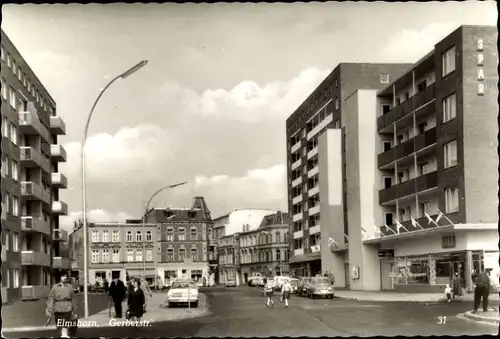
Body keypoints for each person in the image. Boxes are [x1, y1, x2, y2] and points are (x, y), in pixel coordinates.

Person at [46, 272, 77, 338]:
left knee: (65, 323)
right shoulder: (55, 287)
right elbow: (51, 298)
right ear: (59, 277)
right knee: (58, 323)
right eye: (63, 276)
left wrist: (74, 309)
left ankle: (64, 335)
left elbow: (73, 298)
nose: (64, 278)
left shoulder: (70, 287)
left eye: (66, 276)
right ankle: (63, 334)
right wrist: (49, 308)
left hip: (67, 307)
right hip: (57, 307)